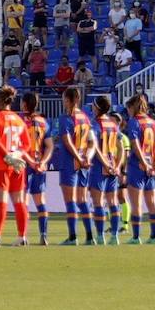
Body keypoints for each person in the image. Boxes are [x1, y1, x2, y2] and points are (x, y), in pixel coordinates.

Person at [0, 86, 32, 247]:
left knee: (1, 201)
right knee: (19, 201)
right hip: (18, 165)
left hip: (1, 164)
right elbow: (27, 144)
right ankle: (22, 236)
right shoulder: (19, 120)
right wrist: (17, 155)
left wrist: (7, 156)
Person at [56, 86, 95, 245]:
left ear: (68, 99)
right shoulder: (85, 118)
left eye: (64, 98)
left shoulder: (65, 118)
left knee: (70, 201)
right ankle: (90, 236)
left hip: (70, 163)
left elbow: (67, 142)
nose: (63, 101)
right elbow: (92, 142)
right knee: (82, 200)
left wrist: (78, 158)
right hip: (84, 165)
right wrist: (87, 157)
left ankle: (73, 237)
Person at [124, 94, 155, 244]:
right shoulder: (154, 123)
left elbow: (135, 145)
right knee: (152, 201)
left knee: (136, 203)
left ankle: (136, 237)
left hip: (137, 166)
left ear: (132, 107)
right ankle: (154, 236)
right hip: (152, 167)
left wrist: (144, 163)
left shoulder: (134, 122)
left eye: (128, 109)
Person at [88, 96, 123, 245]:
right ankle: (114, 235)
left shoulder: (95, 124)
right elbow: (121, 148)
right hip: (112, 167)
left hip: (99, 168)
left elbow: (95, 147)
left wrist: (105, 164)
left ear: (97, 107)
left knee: (98, 203)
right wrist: (117, 165)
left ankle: (101, 235)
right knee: (113, 202)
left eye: (93, 106)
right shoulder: (113, 125)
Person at [20, 92, 53, 245]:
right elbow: (49, 146)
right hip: (39, 165)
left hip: (24, 165)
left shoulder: (19, 121)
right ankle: (44, 235)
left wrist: (30, 161)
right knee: (41, 201)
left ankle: (23, 236)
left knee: (24, 201)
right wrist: (43, 161)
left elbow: (18, 147)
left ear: (25, 104)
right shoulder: (43, 122)